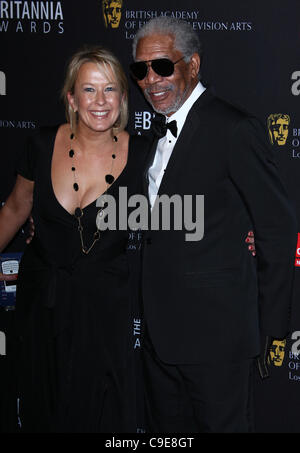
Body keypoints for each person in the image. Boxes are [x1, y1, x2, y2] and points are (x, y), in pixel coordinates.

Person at [130, 16, 297, 433]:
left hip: (218, 342)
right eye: (141, 70)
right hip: (158, 341)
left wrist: (267, 329)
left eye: (163, 66)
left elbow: (276, 227)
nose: (151, 80)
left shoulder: (235, 129)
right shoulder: (149, 138)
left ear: (193, 65)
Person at [0, 45, 150, 433]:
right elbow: (16, 210)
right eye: (89, 89)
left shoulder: (145, 156)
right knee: (40, 412)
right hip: (41, 307)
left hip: (103, 315)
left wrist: (244, 234)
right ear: (71, 97)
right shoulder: (41, 143)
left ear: (123, 97)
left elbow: (184, 213)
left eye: (110, 89)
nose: (100, 101)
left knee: (98, 417)